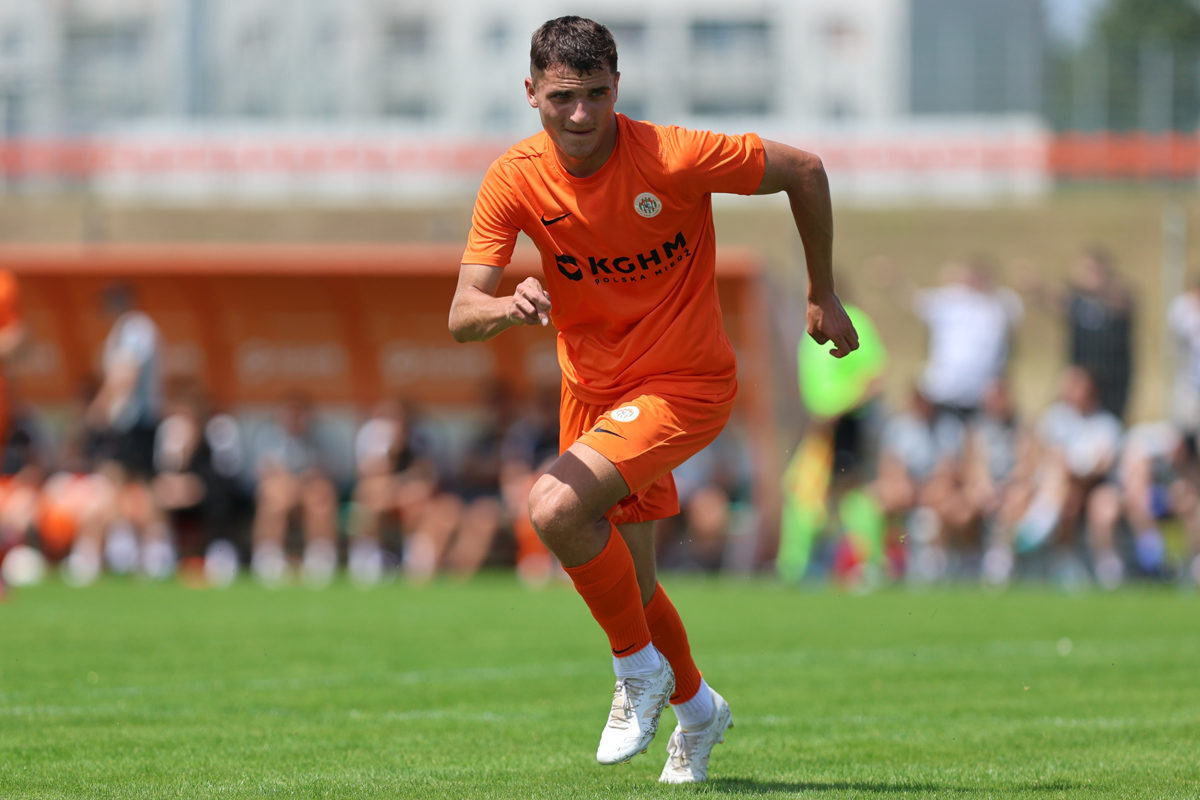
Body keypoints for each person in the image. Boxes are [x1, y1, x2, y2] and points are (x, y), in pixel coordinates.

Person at [448, 17, 857, 784]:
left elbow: (804, 169)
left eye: (596, 95)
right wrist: (507, 305)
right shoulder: (513, 177)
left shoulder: (673, 155)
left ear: (618, 87)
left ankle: (636, 671)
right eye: (562, 98)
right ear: (530, 92)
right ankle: (698, 710)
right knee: (634, 588)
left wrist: (821, 291)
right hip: (592, 392)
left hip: (684, 383)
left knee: (552, 508)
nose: (581, 115)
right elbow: (462, 313)